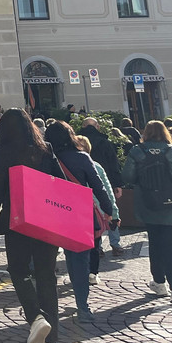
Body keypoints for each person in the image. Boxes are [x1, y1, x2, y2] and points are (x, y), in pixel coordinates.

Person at [0, 109, 62, 343]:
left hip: (17, 219)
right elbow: (60, 181)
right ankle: (51, 338)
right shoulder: (45, 148)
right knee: (47, 274)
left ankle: (35, 317)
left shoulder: (3, 152)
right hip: (46, 217)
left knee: (18, 269)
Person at [124, 119, 172, 305]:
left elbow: (127, 177)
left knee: (155, 245)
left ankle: (159, 283)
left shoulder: (136, 152)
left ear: (145, 134)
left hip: (149, 205)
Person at [44, 120, 113, 324]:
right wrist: (108, 210)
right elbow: (98, 186)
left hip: (52, 214)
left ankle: (46, 309)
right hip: (78, 214)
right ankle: (82, 306)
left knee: (52, 262)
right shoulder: (82, 157)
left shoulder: (46, 159)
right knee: (79, 261)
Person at [74, 135, 122, 281]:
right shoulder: (97, 166)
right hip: (97, 211)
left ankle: (84, 271)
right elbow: (107, 190)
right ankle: (92, 273)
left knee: (84, 244)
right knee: (94, 242)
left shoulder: (69, 165)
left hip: (78, 211)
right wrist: (113, 212)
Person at [77, 117, 124, 193]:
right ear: (98, 127)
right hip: (103, 179)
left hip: (80, 181)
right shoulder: (104, 142)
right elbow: (113, 163)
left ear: (83, 126)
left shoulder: (76, 142)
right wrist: (117, 184)